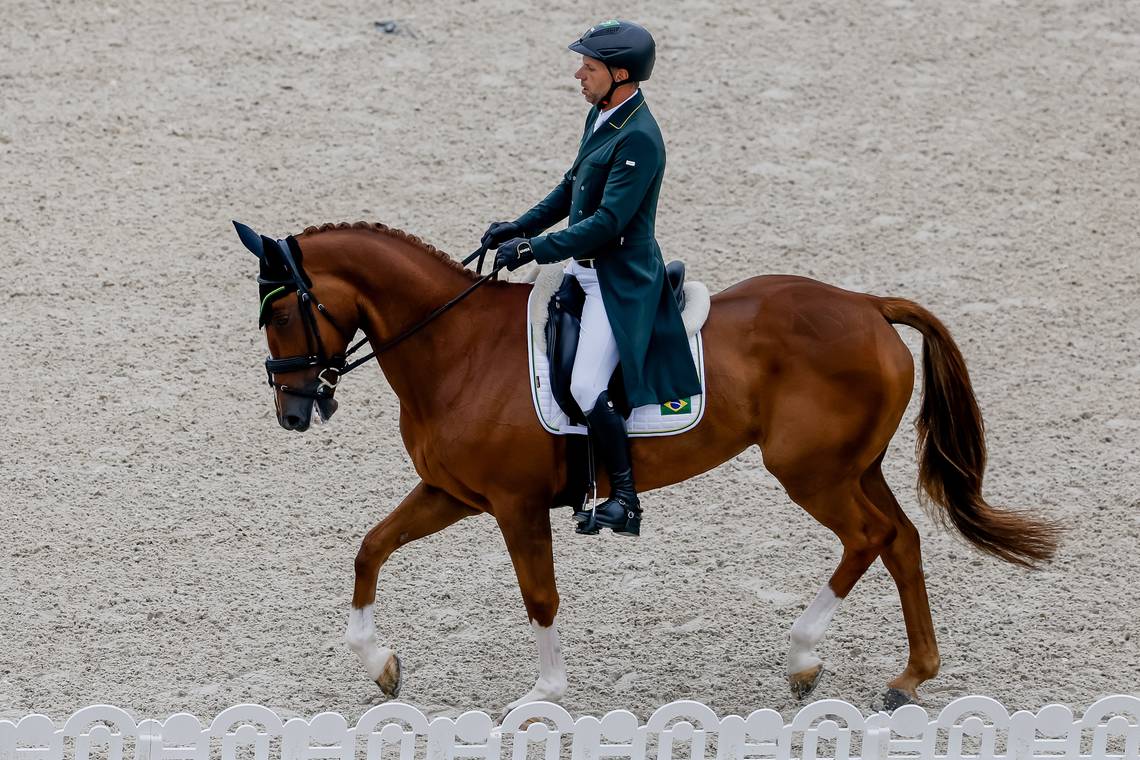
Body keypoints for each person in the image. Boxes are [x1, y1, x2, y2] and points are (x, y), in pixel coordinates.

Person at [484, 20, 701, 537]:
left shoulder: (641, 138)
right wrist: (521, 224)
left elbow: (606, 223)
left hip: (617, 279)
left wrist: (534, 249)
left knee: (585, 384)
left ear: (620, 73)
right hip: (582, 271)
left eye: (590, 66)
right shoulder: (602, 114)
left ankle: (624, 500)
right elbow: (570, 187)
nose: (578, 73)